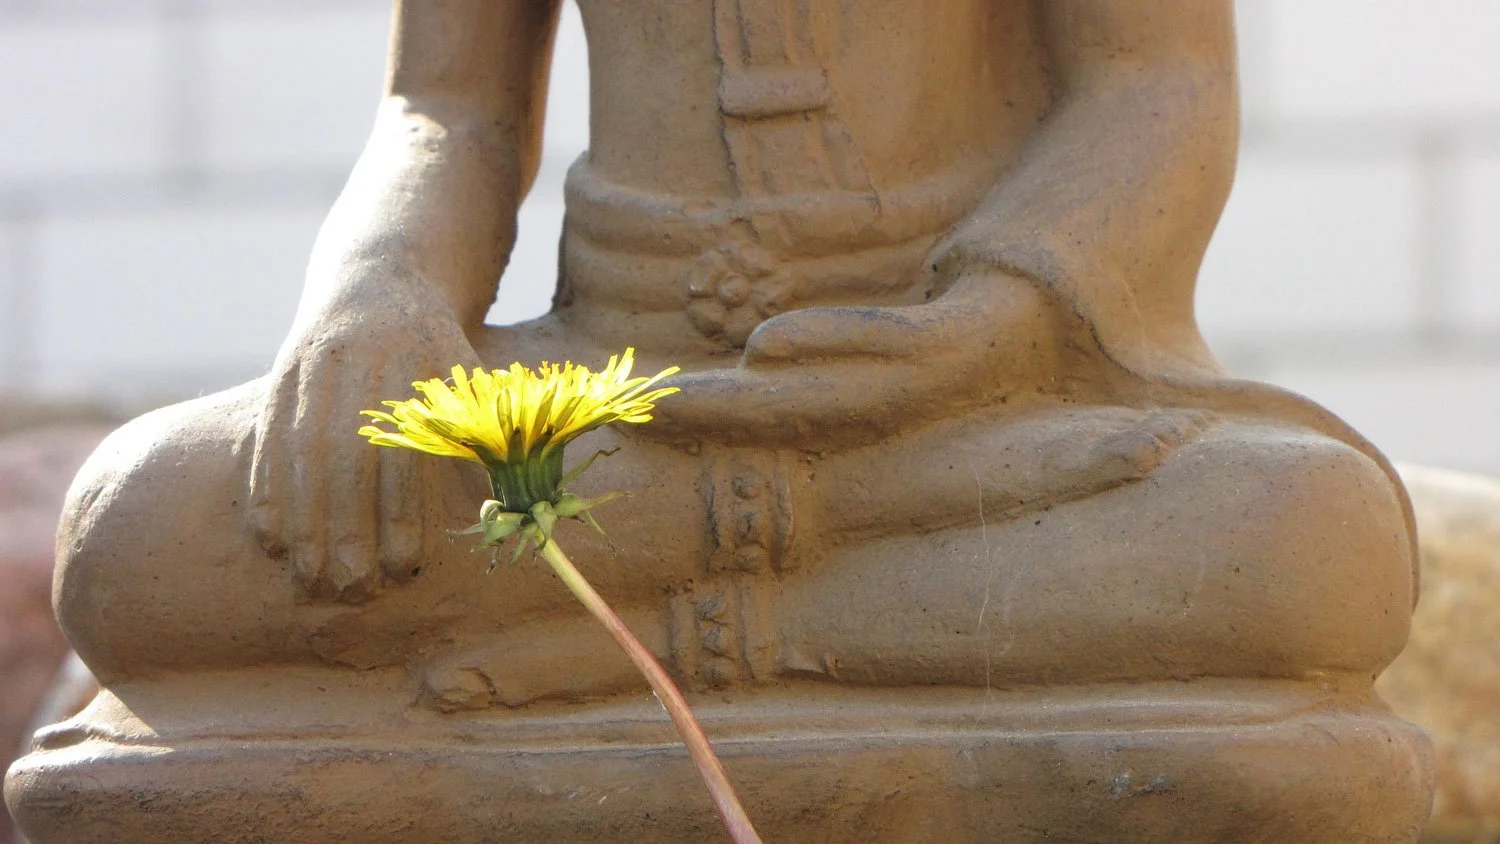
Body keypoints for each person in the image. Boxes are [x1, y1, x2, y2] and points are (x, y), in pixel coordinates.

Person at [10, 3, 1431, 840]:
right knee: (138, 536)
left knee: (1309, 541)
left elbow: (1157, 83)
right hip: (602, 401)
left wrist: (984, 327)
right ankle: (792, 577)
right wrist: (379, 295)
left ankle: (639, 637)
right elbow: (443, 104)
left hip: (964, 399)